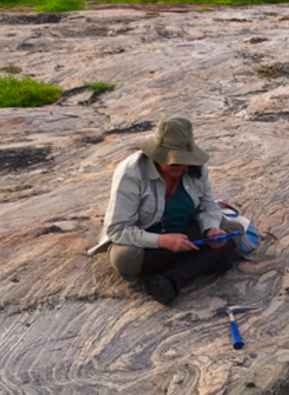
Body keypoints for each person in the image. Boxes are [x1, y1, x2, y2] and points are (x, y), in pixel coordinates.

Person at [90, 117, 236, 304]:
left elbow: (208, 206)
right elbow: (117, 229)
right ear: (157, 154)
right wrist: (162, 241)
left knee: (232, 231)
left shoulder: (196, 168)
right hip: (146, 241)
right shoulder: (131, 172)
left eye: (186, 161)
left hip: (184, 232)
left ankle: (172, 279)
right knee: (124, 258)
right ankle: (202, 261)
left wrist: (211, 230)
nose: (183, 166)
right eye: (175, 162)